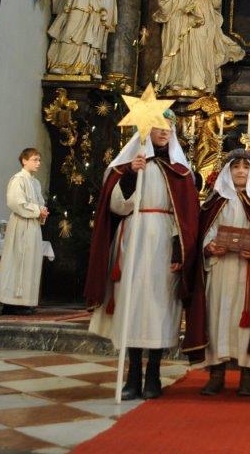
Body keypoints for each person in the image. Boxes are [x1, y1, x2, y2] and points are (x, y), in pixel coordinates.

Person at [85, 114, 199, 400]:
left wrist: (179, 248)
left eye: (169, 128)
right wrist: (131, 175)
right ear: (146, 130)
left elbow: (185, 215)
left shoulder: (180, 171)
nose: (164, 132)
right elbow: (116, 207)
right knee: (132, 305)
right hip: (134, 239)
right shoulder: (127, 166)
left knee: (159, 307)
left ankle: (154, 375)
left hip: (163, 242)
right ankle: (133, 375)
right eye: (159, 127)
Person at [184, 150, 250, 397]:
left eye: (246, 167)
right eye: (236, 167)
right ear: (227, 171)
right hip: (220, 269)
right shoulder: (215, 203)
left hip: (248, 272)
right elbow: (206, 232)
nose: (240, 171)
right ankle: (216, 374)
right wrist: (209, 246)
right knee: (217, 318)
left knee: (245, 322)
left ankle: (248, 376)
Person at [0, 148, 48, 315]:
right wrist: (37, 210)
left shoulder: (35, 183)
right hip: (21, 225)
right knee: (18, 261)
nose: (38, 163)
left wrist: (42, 211)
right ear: (24, 161)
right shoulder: (18, 179)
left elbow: (40, 202)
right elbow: (15, 202)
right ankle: (11, 303)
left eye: (39, 160)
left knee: (30, 262)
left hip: (33, 226)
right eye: (34, 159)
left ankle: (26, 301)